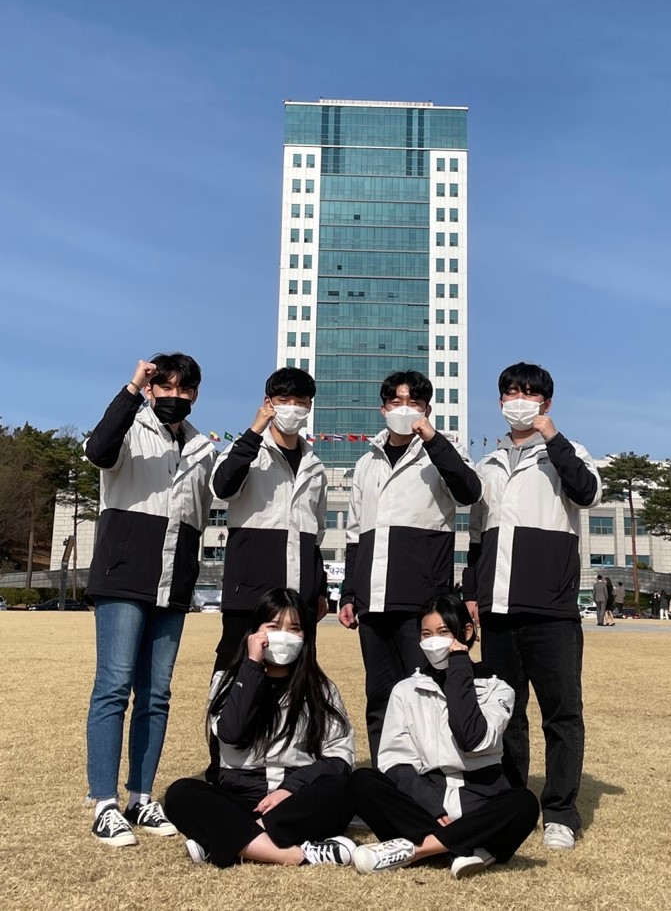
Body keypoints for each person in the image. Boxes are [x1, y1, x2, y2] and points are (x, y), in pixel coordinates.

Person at [463, 362, 602, 851]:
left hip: (551, 609)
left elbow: (587, 493)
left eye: (528, 393)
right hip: (498, 609)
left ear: (546, 401)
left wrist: (552, 437)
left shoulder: (569, 451)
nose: (518, 400)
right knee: (506, 711)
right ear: (500, 400)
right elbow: (477, 538)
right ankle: (511, 801)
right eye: (510, 392)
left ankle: (560, 811)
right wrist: (472, 594)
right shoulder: (488, 463)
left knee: (562, 713)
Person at [84, 354, 216, 846]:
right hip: (124, 576)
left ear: (194, 394)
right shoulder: (129, 427)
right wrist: (132, 388)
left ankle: (140, 797)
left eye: (184, 389)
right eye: (165, 386)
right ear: (151, 388)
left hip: (173, 584)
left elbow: (199, 515)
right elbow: (98, 451)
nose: (174, 396)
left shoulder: (202, 447)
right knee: (114, 687)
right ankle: (104, 803)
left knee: (156, 694)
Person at [338, 370, 481, 763]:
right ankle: (387, 774)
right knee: (380, 696)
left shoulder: (444, 453)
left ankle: (430, 775)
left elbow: (470, 491)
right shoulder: (366, 462)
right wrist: (349, 593)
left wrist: (433, 440)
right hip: (373, 600)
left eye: (413, 402)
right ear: (383, 408)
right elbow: (355, 533)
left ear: (427, 410)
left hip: (422, 603)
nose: (404, 409)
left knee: (425, 693)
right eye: (396, 402)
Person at [349, 594, 538, 878]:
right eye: (426, 634)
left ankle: (418, 850)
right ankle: (471, 847)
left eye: (443, 632)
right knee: (362, 781)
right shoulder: (406, 689)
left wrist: (459, 665)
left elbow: (472, 738)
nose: (433, 641)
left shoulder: (497, 689)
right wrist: (433, 807)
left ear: (467, 632)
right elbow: (395, 760)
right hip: (427, 803)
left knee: (524, 804)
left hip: (480, 800)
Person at [164, 588, 356, 868]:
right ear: (255, 631)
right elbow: (231, 733)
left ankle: (227, 840)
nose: (284, 636)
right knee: (180, 794)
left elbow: (340, 758)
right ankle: (294, 855)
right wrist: (252, 666)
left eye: (294, 629)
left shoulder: (321, 689)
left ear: (306, 636)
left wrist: (290, 789)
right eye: (273, 627)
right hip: (243, 798)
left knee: (343, 788)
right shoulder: (226, 681)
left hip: (295, 799)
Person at [206, 367, 328, 780]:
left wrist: (319, 588)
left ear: (309, 407)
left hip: (298, 598)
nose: (292, 408)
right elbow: (222, 487)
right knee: (234, 675)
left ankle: (287, 767)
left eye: (300, 401)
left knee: (296, 683)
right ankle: (223, 766)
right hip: (249, 594)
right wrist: (254, 431)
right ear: (268, 402)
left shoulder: (314, 464)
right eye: (283, 400)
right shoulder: (246, 450)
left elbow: (316, 531)